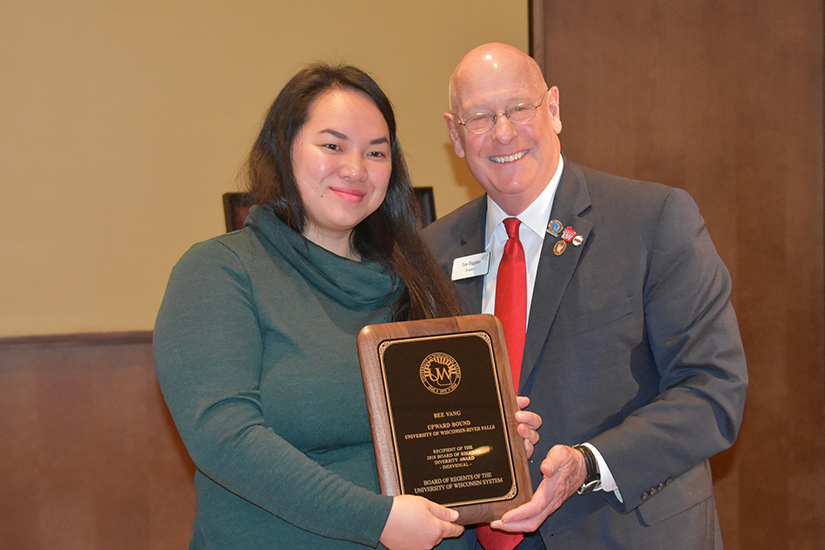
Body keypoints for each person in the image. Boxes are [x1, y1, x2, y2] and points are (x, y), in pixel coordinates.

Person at [153, 63, 540, 550]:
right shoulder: (221, 270)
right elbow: (223, 439)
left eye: (376, 152)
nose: (355, 169)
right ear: (284, 148)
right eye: (332, 146)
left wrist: (495, 442)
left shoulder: (418, 277)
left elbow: (439, 439)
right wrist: (375, 519)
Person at [424, 43, 748, 549]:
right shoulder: (429, 252)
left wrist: (588, 464)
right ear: (455, 135)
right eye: (480, 118)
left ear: (552, 109)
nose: (503, 132)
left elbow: (714, 389)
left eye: (519, 109)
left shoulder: (652, 220)